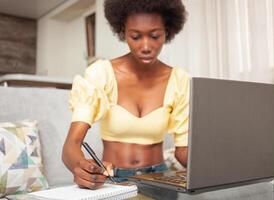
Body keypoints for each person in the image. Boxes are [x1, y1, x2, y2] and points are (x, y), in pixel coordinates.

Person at [62, 0, 189, 189]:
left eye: (155, 36)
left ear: (167, 31)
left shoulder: (179, 80)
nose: (146, 46)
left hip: (160, 180)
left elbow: (183, 152)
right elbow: (71, 145)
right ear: (123, 30)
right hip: (113, 181)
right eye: (136, 36)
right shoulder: (101, 74)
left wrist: (217, 165)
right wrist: (80, 166)